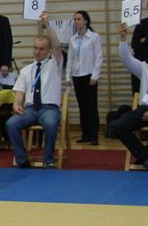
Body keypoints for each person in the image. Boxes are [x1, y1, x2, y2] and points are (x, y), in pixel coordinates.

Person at [6, 11, 63, 169]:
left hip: (49, 108)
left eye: (42, 49)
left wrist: (47, 25)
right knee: (11, 124)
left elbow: (57, 45)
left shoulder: (54, 65)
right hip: (30, 109)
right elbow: (19, 93)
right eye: (36, 48)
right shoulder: (26, 70)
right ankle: (22, 160)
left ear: (49, 51)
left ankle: (48, 159)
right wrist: (16, 105)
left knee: (51, 123)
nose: (38, 52)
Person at [111, 23, 148, 170]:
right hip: (144, 109)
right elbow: (126, 59)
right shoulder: (145, 68)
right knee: (118, 125)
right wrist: (123, 38)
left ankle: (147, 156)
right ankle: (146, 157)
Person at [66, 11, 102, 146]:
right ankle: (85, 134)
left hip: (89, 75)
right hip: (77, 75)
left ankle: (94, 135)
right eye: (75, 19)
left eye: (79, 19)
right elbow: (70, 59)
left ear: (86, 21)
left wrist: (95, 75)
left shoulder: (94, 37)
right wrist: (68, 76)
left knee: (91, 106)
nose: (77, 22)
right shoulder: (72, 39)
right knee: (82, 106)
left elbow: (98, 57)